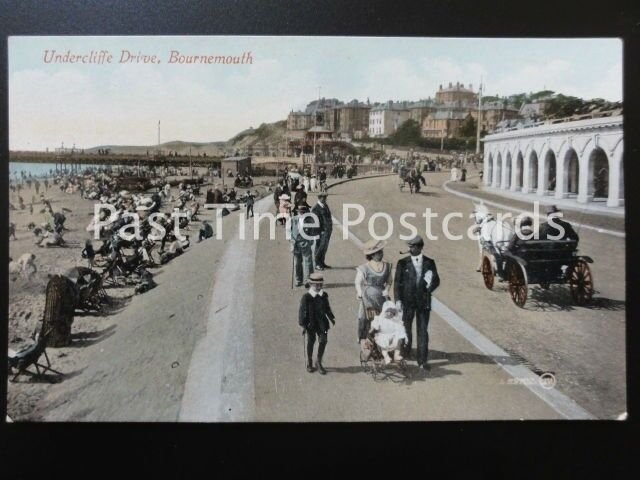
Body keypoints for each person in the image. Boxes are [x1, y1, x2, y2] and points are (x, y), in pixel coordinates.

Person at [393, 235, 440, 369]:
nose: (410, 249)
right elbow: (397, 283)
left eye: (412, 247)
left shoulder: (429, 262)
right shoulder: (402, 263)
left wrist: (428, 288)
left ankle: (422, 360)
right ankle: (406, 353)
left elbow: (436, 280)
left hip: (423, 302)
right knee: (406, 328)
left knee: (422, 330)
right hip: (407, 302)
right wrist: (398, 300)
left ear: (420, 248)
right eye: (410, 247)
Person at [355, 239, 392, 349]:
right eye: (378, 252)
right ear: (372, 254)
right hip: (368, 297)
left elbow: (389, 281)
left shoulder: (387, 266)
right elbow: (358, 282)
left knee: (384, 319)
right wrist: (359, 292)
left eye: (381, 251)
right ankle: (364, 338)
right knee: (366, 318)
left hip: (382, 297)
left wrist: (387, 289)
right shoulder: (364, 268)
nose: (381, 254)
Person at [298, 273, 335, 374]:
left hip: (322, 323)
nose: (318, 287)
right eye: (316, 285)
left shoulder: (324, 295)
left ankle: (318, 361)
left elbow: (327, 307)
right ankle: (309, 362)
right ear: (310, 284)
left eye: (320, 284)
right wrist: (303, 325)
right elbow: (302, 312)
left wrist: (331, 317)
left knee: (323, 340)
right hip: (311, 323)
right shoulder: (306, 297)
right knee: (311, 341)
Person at [290, 204, 315, 287]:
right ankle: (298, 280)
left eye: (303, 212)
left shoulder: (309, 220)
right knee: (297, 263)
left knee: (308, 262)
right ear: (298, 212)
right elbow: (289, 231)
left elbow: (312, 232)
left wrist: (310, 241)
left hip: (305, 242)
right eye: (300, 212)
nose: (302, 213)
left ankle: (308, 280)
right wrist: (291, 240)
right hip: (296, 243)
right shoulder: (293, 219)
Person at [311, 192, 332, 270]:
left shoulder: (325, 206)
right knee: (319, 247)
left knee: (324, 247)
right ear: (319, 198)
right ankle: (317, 264)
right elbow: (315, 222)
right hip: (321, 231)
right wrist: (319, 231)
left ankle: (322, 262)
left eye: (325, 197)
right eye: (323, 197)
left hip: (327, 231)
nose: (325, 199)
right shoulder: (316, 208)